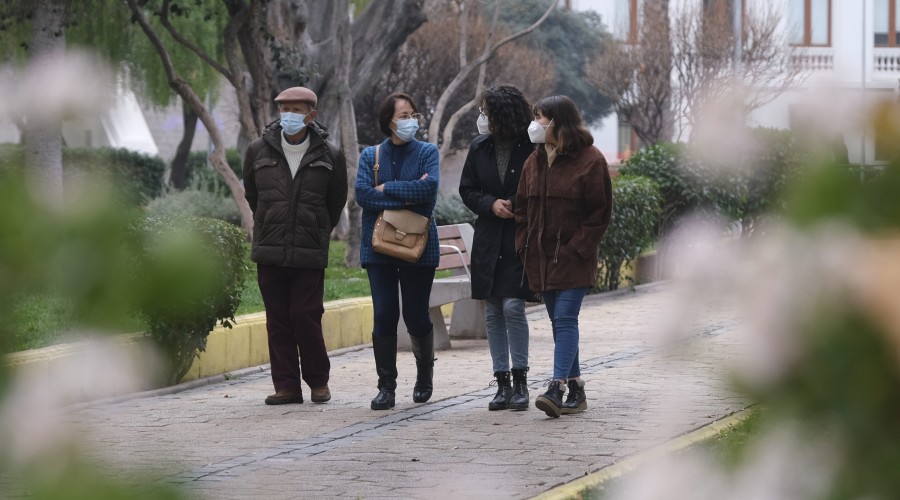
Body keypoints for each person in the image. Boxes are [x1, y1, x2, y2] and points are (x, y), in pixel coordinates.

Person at [243, 86, 348, 405]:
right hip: (270, 248)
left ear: (312, 115)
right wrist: (269, 221)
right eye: (283, 109)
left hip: (308, 250)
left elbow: (335, 202)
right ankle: (286, 386)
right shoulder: (258, 150)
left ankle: (318, 381)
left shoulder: (330, 154)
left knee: (305, 315)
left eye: (296, 109)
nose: (288, 115)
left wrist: (317, 232)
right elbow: (253, 195)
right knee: (277, 318)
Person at [514, 95, 613, 418]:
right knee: (560, 323)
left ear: (560, 122)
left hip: (573, 258)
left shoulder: (590, 160)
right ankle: (577, 387)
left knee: (566, 319)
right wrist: (523, 244)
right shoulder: (534, 161)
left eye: (542, 118)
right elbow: (522, 209)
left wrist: (576, 249)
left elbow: (600, 214)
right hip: (541, 259)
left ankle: (556, 387)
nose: (536, 125)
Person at [355, 92, 440, 410]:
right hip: (379, 248)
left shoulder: (428, 152)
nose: (410, 120)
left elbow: (428, 191)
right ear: (388, 121)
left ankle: (424, 375)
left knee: (416, 315)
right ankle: (386, 387)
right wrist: (407, 195)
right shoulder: (370, 155)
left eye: (413, 114)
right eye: (403, 115)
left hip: (420, 247)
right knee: (384, 314)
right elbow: (363, 195)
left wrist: (388, 188)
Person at [459, 84, 535, 411]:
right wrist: (490, 204)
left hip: (518, 236)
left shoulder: (531, 147)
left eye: (487, 112)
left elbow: (537, 186)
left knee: (513, 307)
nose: (482, 118)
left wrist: (514, 204)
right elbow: (467, 189)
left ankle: (521, 380)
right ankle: (501, 382)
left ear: (503, 113)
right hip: (489, 237)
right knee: (492, 310)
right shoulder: (479, 147)